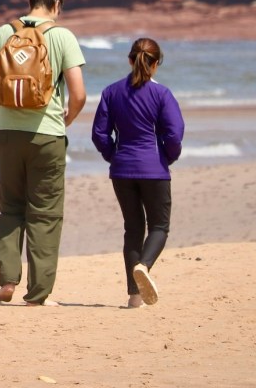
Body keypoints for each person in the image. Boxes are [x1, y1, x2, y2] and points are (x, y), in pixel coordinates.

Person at [0, 0, 86, 306]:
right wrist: (65, 120)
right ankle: (38, 294)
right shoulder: (62, 36)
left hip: (7, 134)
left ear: (30, 1)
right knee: (45, 213)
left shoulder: (3, 33)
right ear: (56, 4)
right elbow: (79, 94)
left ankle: (8, 280)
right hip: (47, 135)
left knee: (10, 207)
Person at [91, 37, 184, 308]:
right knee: (159, 226)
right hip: (154, 169)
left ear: (130, 60)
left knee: (133, 228)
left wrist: (114, 156)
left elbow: (99, 134)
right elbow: (174, 134)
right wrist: (167, 158)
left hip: (122, 170)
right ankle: (144, 266)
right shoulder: (162, 94)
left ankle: (134, 297)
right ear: (156, 64)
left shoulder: (111, 92)